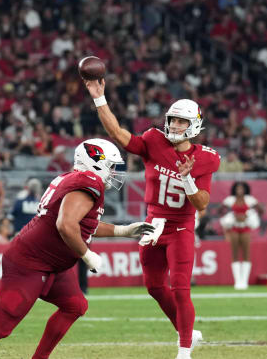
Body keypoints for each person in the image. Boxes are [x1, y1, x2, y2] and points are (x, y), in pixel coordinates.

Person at [0, 139, 153, 359]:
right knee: (0, 325)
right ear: (95, 163)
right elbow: (66, 225)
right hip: (30, 262)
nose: (113, 172)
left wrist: (123, 230)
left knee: (75, 305)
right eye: (110, 166)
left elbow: (84, 223)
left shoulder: (73, 179)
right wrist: (86, 254)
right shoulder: (88, 182)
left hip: (51, 262)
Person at [84, 78, 220, 359]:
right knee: (154, 287)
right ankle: (189, 332)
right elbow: (120, 135)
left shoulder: (205, 158)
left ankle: (184, 350)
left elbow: (202, 203)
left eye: (181, 122)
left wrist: (187, 180)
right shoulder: (154, 140)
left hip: (181, 226)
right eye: (172, 120)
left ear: (193, 126)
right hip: (152, 224)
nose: (174, 126)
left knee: (180, 288)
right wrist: (100, 99)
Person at [219, 181, 261, 290]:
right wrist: (232, 215)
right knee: (235, 253)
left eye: (242, 188)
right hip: (234, 227)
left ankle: (244, 281)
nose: (240, 190)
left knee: (246, 253)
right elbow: (219, 210)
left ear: (245, 189)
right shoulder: (230, 200)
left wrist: (249, 214)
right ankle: (237, 281)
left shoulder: (250, 199)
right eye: (238, 188)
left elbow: (261, 210)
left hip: (245, 227)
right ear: (234, 189)